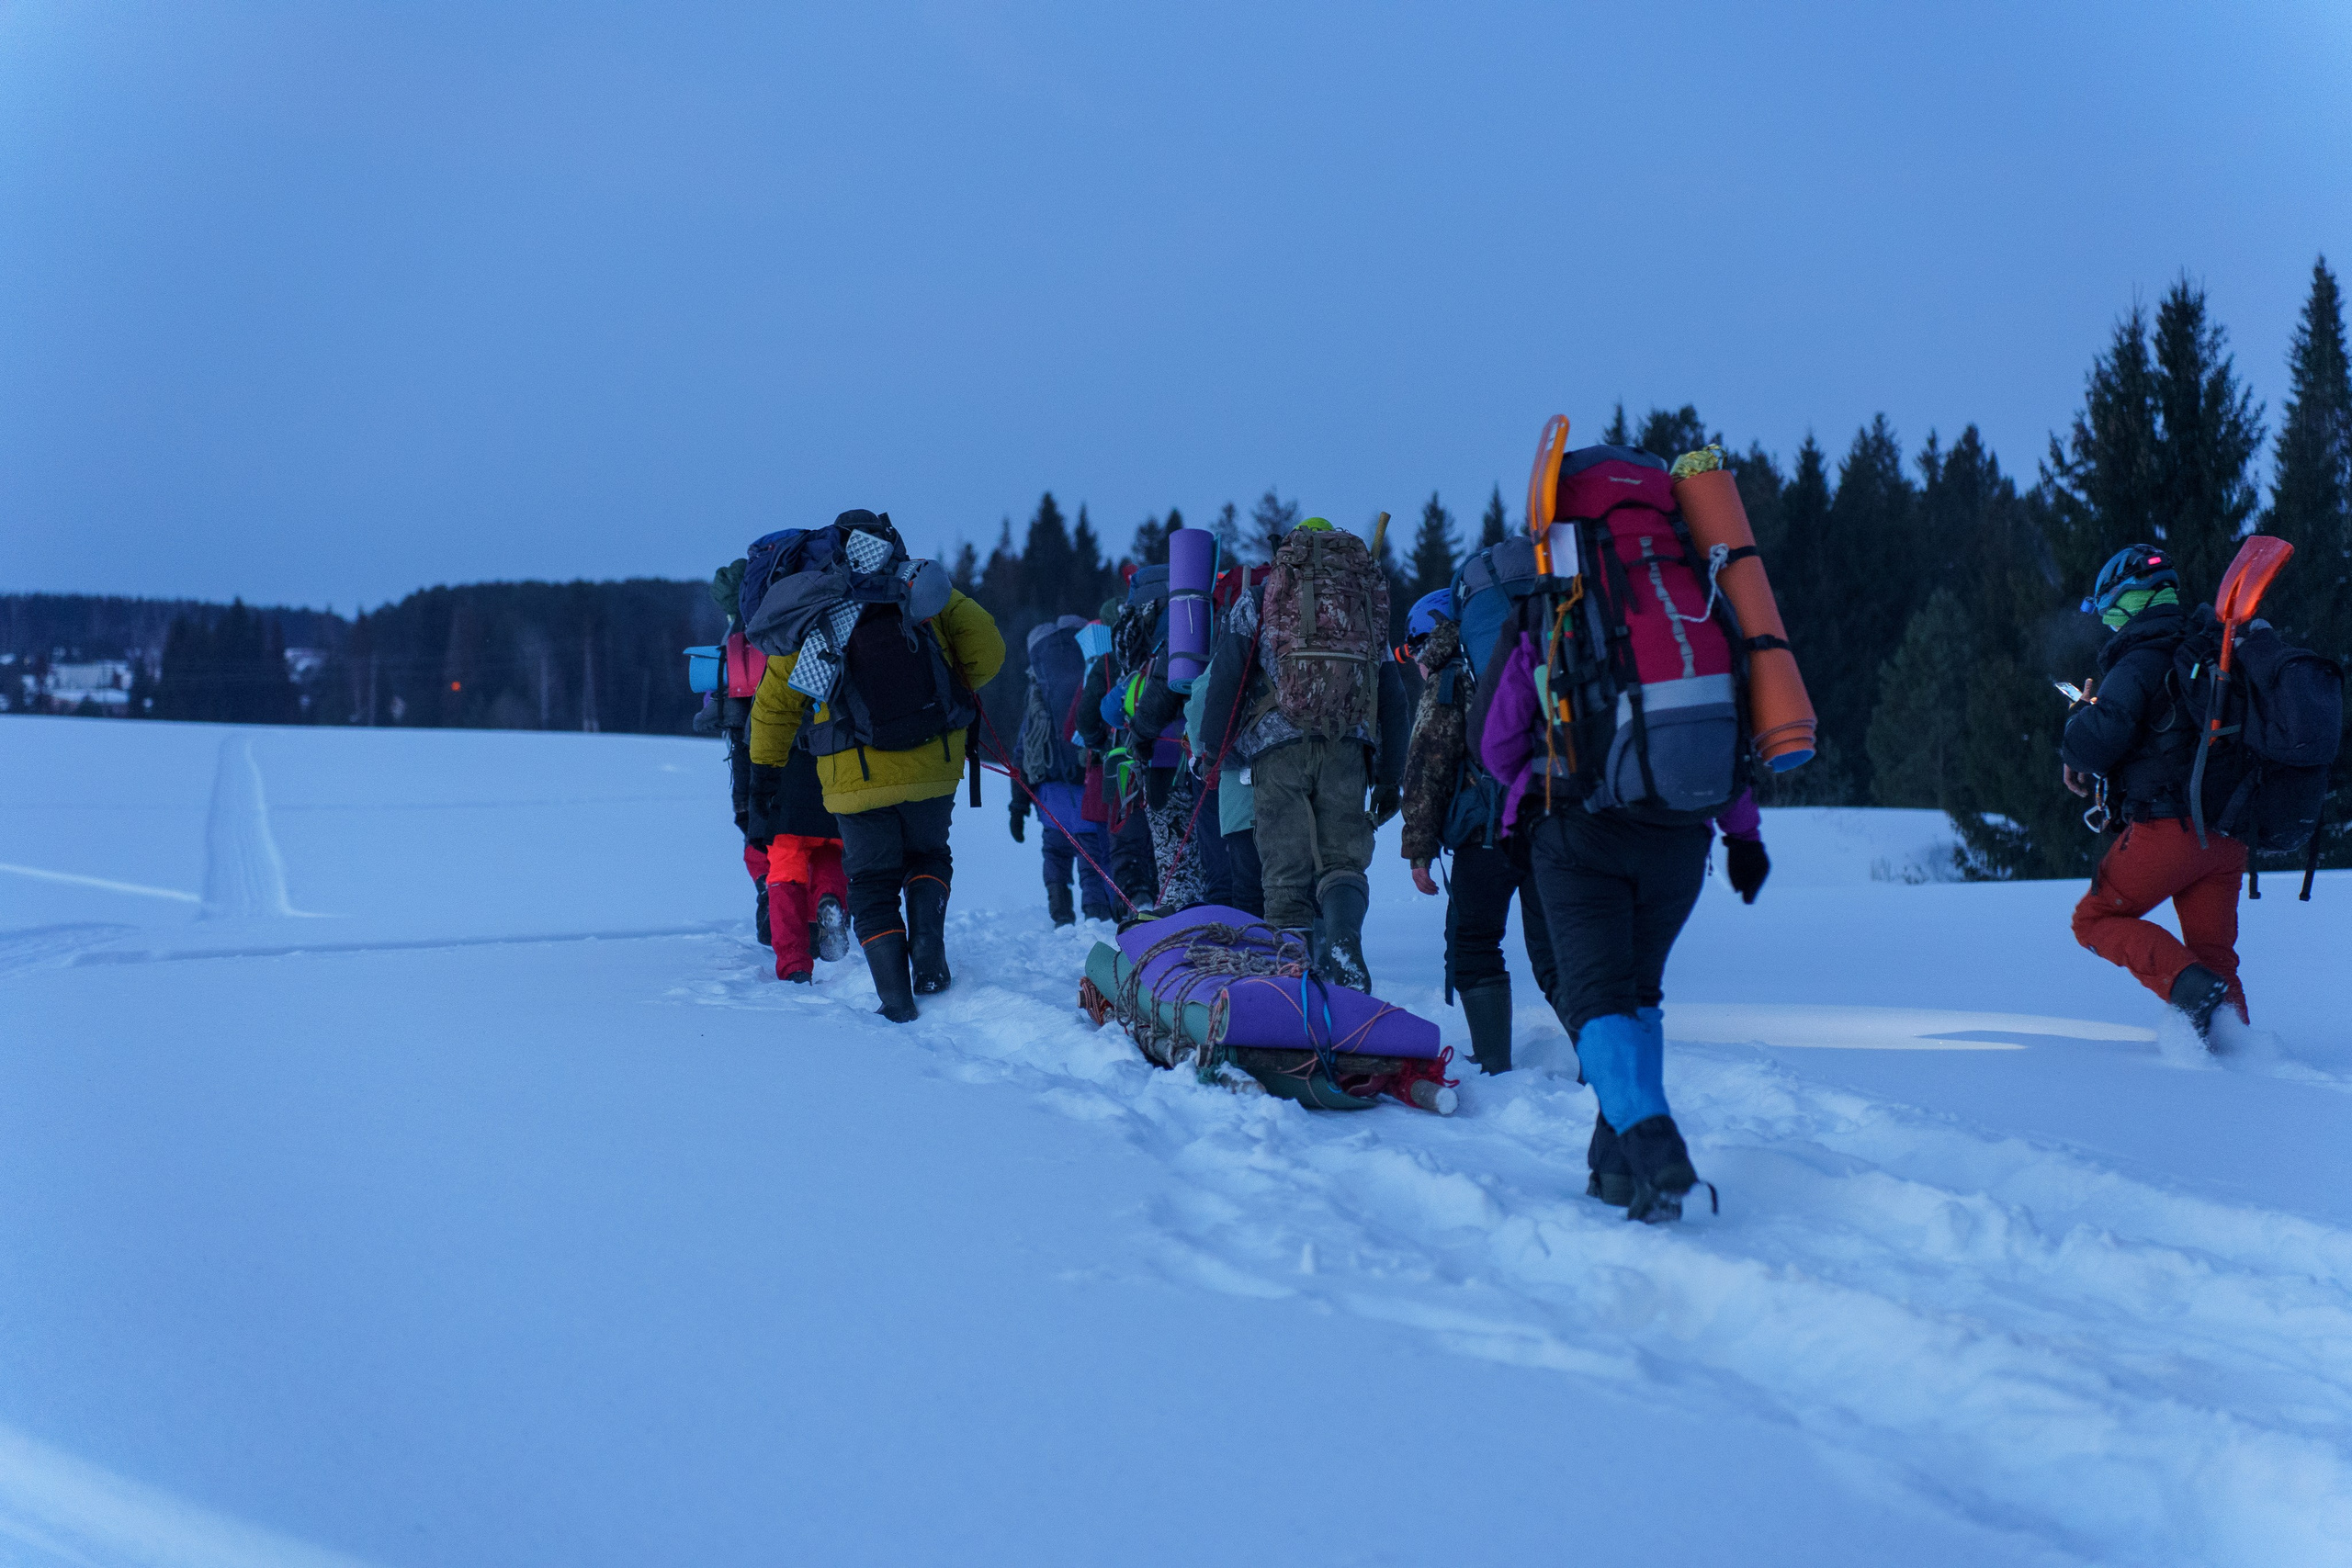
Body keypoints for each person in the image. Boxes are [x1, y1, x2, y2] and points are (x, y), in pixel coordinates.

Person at [749, 510, 1004, 1021]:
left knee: (869, 882)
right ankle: (928, 955)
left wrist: (765, 775)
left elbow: (776, 705)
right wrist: (951, 690)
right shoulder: (920, 588)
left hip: (852, 774)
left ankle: (896, 1000)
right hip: (934, 762)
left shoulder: (816, 602)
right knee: (929, 854)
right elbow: (989, 650)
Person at [1199, 516, 1409, 987]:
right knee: (1342, 862)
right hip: (1347, 748)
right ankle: (1343, 942)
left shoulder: (1260, 599)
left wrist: (1212, 753)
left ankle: (1292, 983)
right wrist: (1392, 776)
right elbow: (1393, 697)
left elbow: (1225, 681)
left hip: (1277, 749)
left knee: (1285, 874)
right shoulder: (1360, 608)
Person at [2061, 544, 2245, 1043]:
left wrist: (2081, 718)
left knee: (2093, 920)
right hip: (2227, 837)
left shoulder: (2138, 661)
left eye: (2109, 612)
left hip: (2169, 831)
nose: (2109, 625)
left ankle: (2187, 987)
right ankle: (2241, 1055)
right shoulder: (2209, 653)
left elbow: (2098, 742)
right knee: (2215, 955)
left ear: (2130, 602)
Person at [1396, 588, 1557, 1076]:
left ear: (1434, 635)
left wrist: (1419, 849)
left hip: (1489, 832)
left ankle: (1492, 1060)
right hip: (1556, 821)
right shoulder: (1531, 650)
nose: (1416, 661)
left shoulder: (1452, 673)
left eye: (1414, 647)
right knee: (1556, 952)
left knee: (1474, 942)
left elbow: (1429, 766)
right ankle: (1601, 1060)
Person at [1011, 615, 1115, 924]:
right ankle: (1096, 916)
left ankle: (1061, 916)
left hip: (1050, 797)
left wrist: (1018, 806)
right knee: (1092, 860)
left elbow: (1023, 752)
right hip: (1090, 791)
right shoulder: (1092, 678)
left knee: (1054, 856)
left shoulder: (1038, 693)